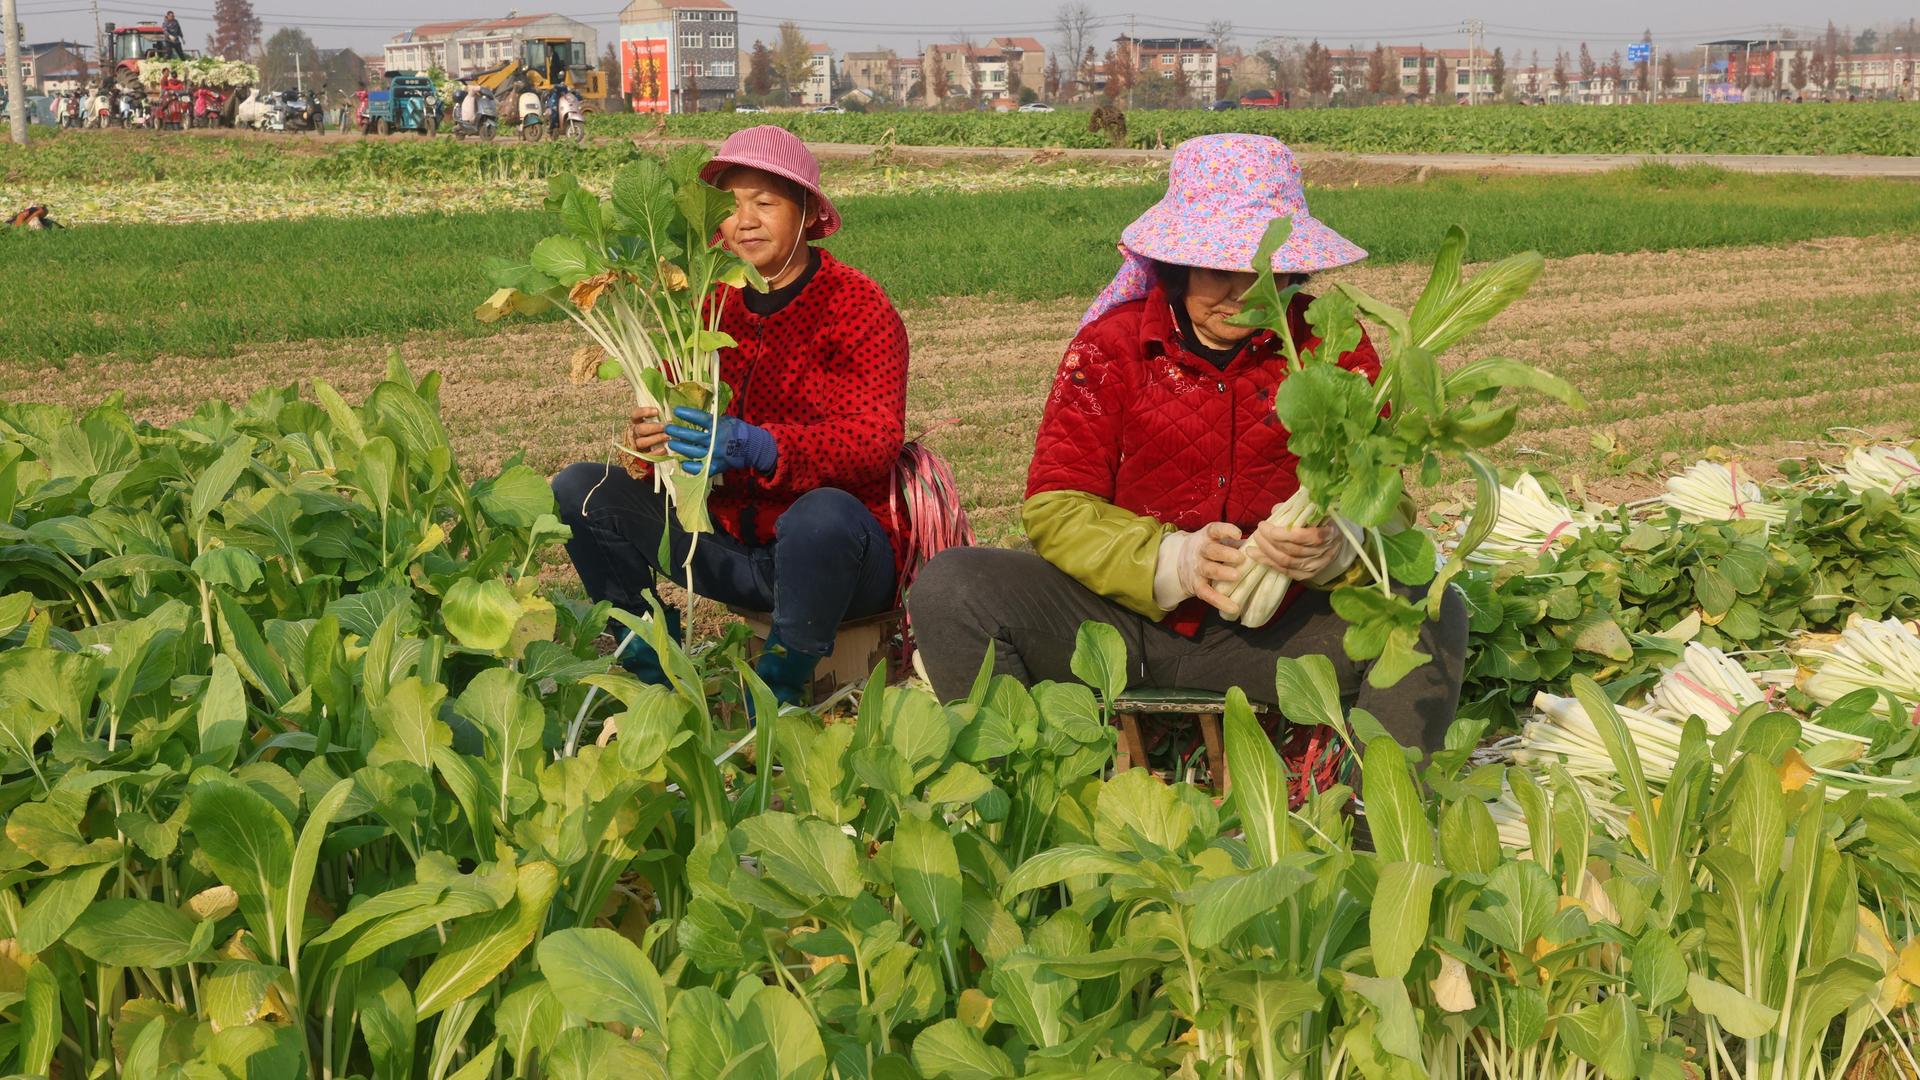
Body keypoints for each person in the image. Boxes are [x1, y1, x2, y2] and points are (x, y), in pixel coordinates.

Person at [908, 133, 1468, 755]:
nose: (1242, 293)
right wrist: (1174, 561)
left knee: (1431, 611)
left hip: (1275, 637)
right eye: (1218, 270)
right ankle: (1014, 779)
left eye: (1264, 274)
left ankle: (1379, 809)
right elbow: (1055, 507)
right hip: (1115, 629)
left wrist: (1340, 546)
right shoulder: (1111, 347)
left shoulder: (1330, 345)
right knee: (950, 587)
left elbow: (1384, 493)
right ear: (1176, 268)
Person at [552, 126, 910, 705]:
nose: (744, 221)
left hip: (838, 561)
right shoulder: (708, 301)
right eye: (730, 206)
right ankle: (655, 671)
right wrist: (653, 442)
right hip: (724, 547)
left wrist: (758, 446)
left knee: (819, 516)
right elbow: (675, 413)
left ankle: (775, 697)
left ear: (807, 213)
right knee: (580, 490)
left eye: (764, 203)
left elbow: (875, 439)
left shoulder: (855, 303)